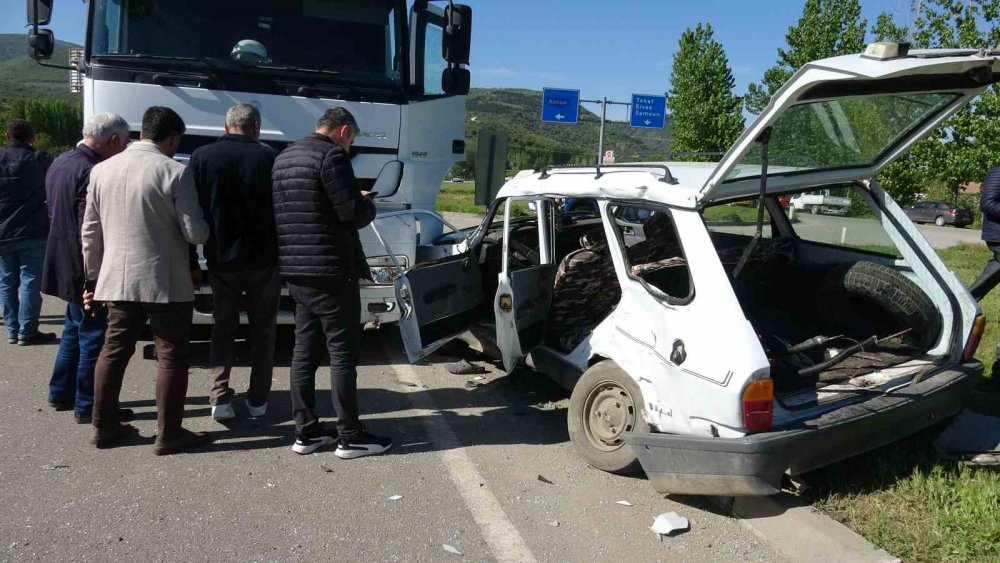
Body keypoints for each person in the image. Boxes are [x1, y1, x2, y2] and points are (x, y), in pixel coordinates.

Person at [81, 106, 211, 454]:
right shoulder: (175, 171)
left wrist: (92, 280)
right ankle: (169, 433)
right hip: (165, 280)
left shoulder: (101, 170)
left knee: (113, 351)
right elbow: (194, 232)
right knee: (171, 356)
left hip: (117, 280)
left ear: (142, 133)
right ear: (173, 138)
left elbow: (90, 233)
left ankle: (103, 426)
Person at [272, 107, 391, 458]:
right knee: (342, 354)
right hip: (331, 270)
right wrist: (367, 203)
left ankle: (306, 432)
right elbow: (351, 213)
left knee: (303, 353)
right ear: (343, 131)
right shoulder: (332, 157)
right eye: (351, 140)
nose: (350, 146)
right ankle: (350, 436)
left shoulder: (284, 158)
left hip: (296, 269)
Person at [188, 103, 279, 421]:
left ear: (226, 127)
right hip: (264, 260)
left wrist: (193, 256)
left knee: (222, 329)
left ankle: (220, 397)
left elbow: (192, 210)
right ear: (256, 127)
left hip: (220, 259)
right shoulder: (270, 158)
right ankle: (258, 399)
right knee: (263, 332)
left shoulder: (202, 157)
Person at [42, 113, 133, 424]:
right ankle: (88, 403)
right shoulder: (94, 170)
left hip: (62, 259)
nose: (125, 148)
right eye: (125, 142)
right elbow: (89, 229)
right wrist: (94, 277)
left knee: (73, 330)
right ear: (113, 140)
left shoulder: (62, 161)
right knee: (93, 336)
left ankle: (60, 391)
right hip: (83, 266)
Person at [0, 119, 55, 346]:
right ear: (32, 138)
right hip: (33, 229)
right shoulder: (40, 159)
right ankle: (27, 331)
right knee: (30, 281)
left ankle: (12, 330)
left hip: (2, 232)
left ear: (6, 136)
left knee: (6, 281)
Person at [971, 165, 1000, 300]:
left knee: (995, 271)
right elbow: (987, 204)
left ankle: (966, 301)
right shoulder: (997, 172)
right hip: (997, 235)